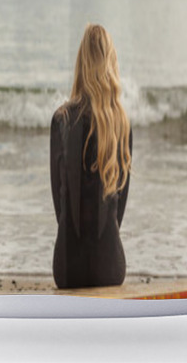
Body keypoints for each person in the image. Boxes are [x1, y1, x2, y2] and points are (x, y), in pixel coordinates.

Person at [50, 23, 133, 289]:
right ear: (111, 63)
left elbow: (59, 203)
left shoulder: (61, 119)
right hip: (109, 265)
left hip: (67, 267)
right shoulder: (121, 123)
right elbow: (118, 209)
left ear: (80, 64)